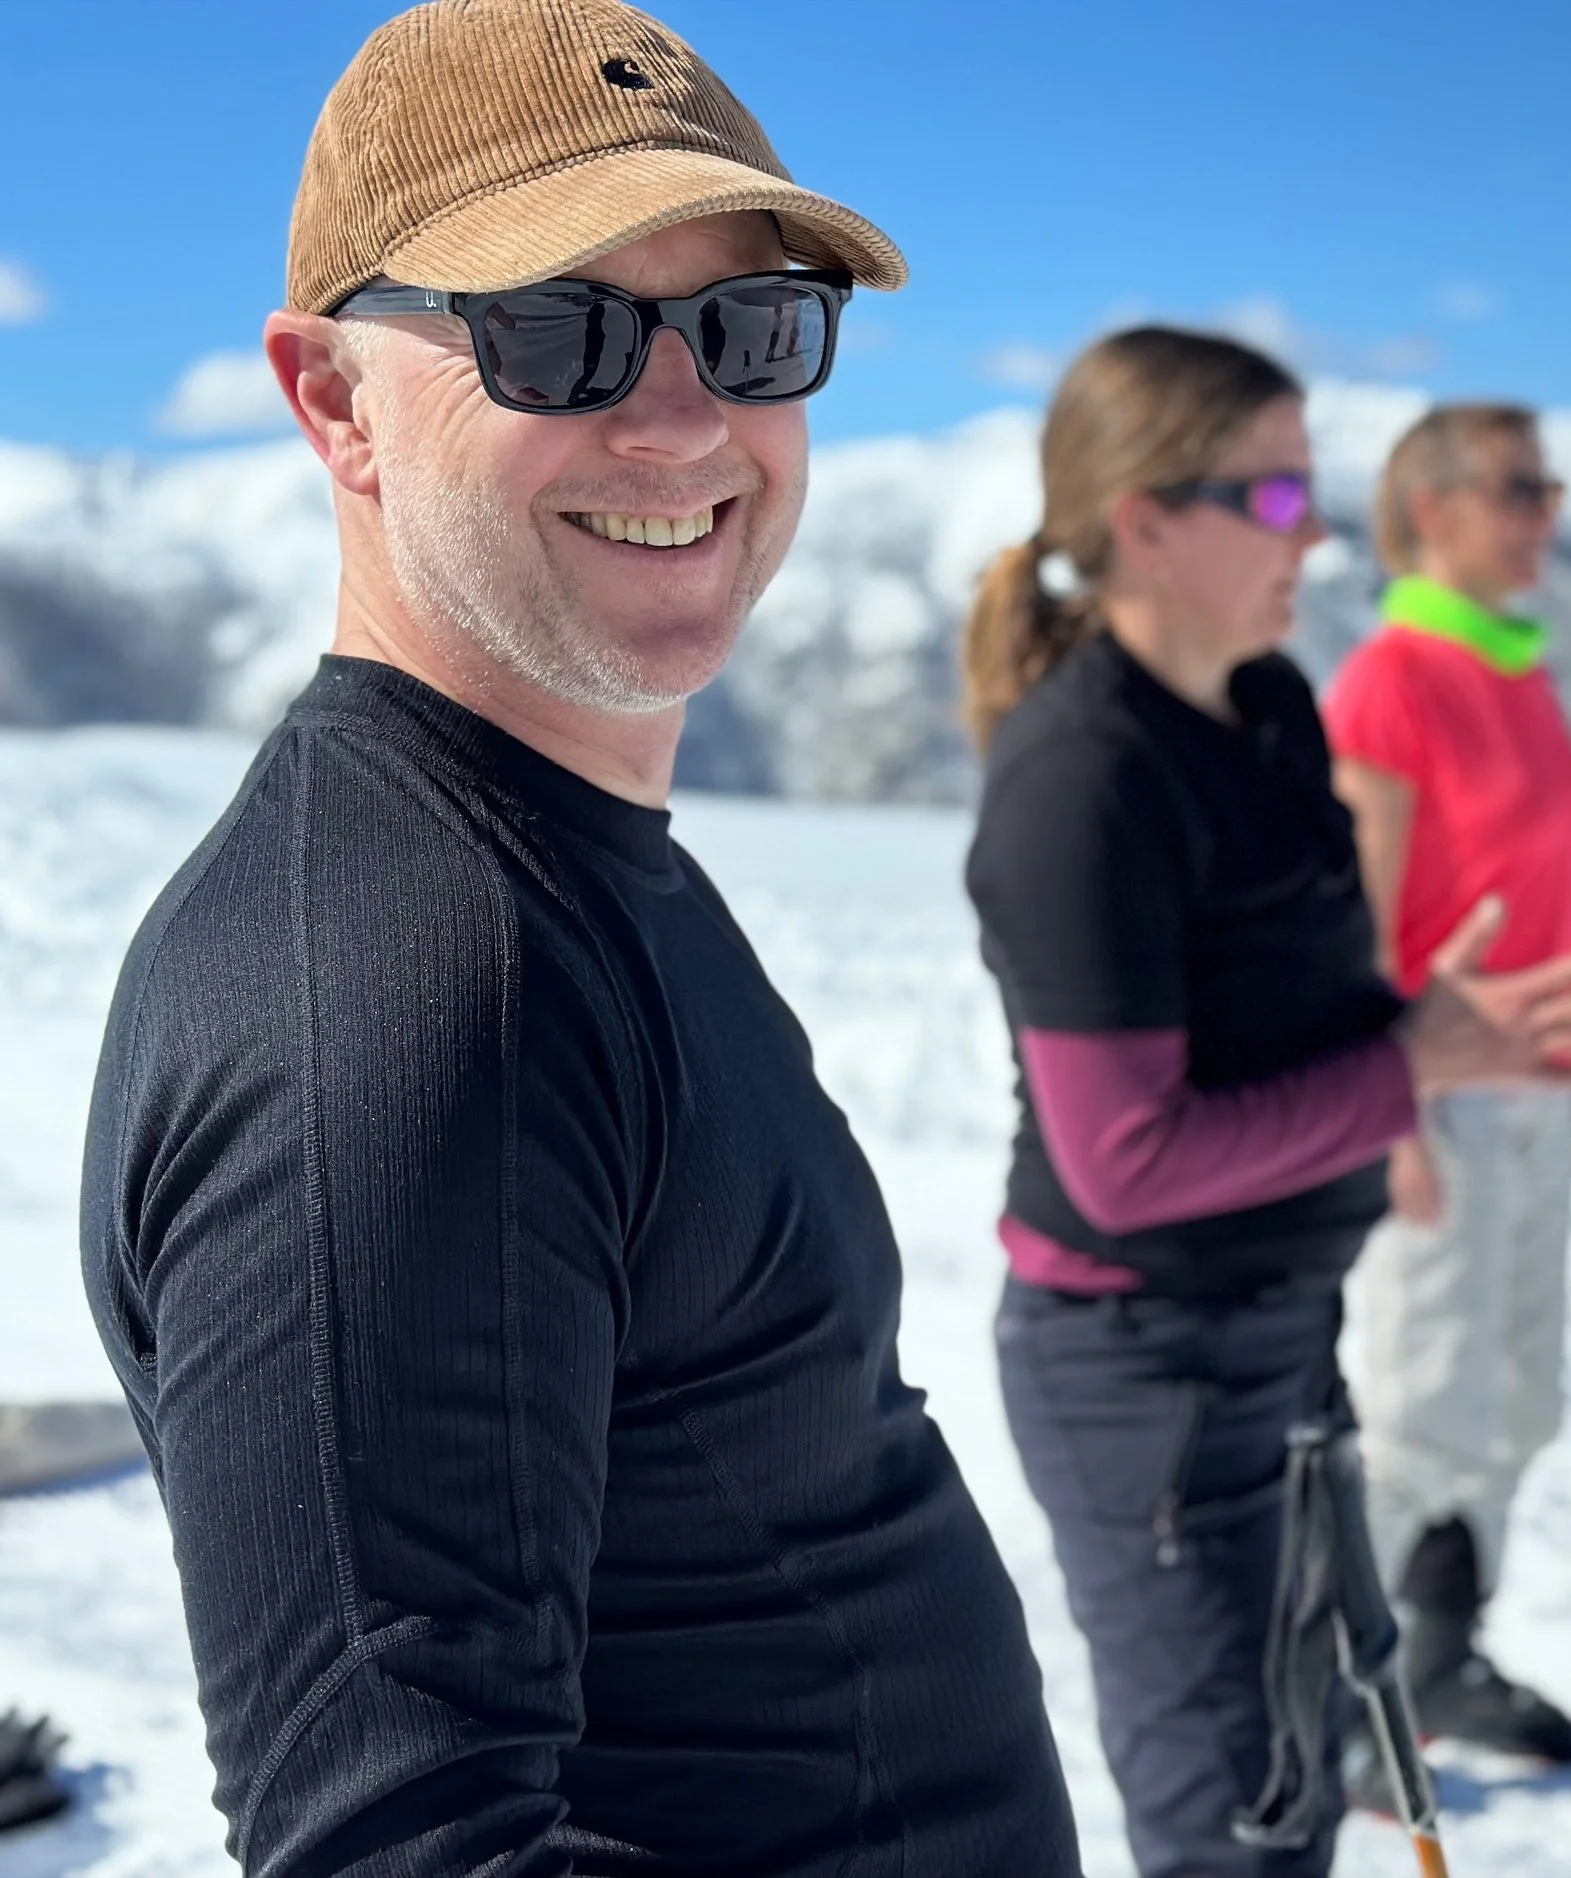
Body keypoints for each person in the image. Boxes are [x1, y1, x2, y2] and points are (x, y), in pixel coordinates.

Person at [79, 3, 1079, 1871]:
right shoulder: (401, 996)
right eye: (554, 332)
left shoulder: (552, 868)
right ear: (331, 401)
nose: (683, 414)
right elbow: (408, 1846)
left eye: (750, 325)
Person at [962, 330, 1571, 1877]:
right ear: (1144, 521)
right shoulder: (1083, 781)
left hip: (1280, 1323)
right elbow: (1125, 1161)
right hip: (1146, 1365)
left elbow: (1294, 1006)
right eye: (1273, 498)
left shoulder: (1266, 704)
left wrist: (1438, 1027)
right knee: (1235, 1819)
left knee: (1300, 1788)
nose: (1318, 534)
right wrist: (1418, 1070)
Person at [1321, 404, 1571, 1763]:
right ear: (1430, 508)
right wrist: (1383, 1113)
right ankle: (1338, 1695)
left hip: (1534, 1090)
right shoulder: (1393, 678)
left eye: (1550, 489)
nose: (1546, 513)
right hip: (1436, 1091)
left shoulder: (1521, 669)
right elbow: (1366, 918)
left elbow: (1544, 892)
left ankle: (1439, 1661)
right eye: (1519, 489)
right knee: (1419, 1410)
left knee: (1513, 1394)